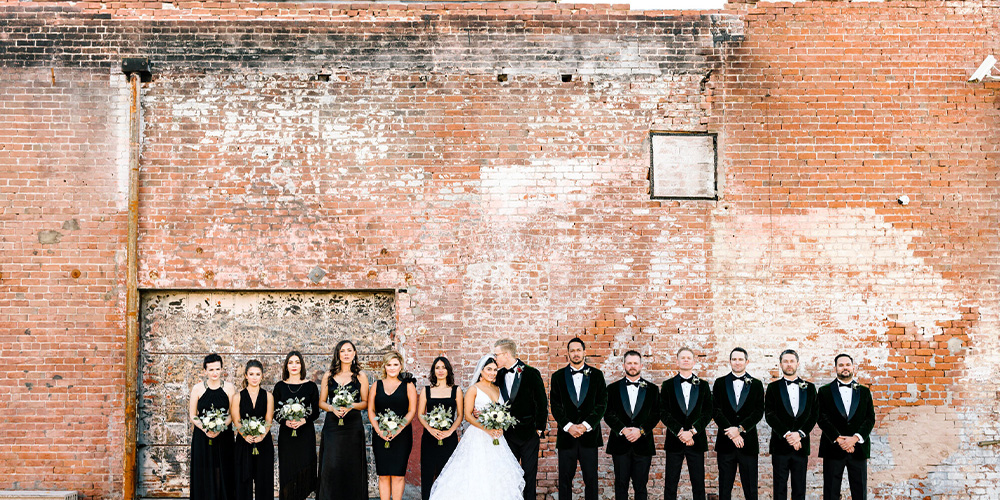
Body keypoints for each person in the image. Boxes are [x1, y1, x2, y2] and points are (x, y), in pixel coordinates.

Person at [428, 355, 525, 500]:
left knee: (496, 475)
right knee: (477, 473)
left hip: (497, 438)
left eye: (494, 370)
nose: (492, 373)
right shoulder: (474, 389)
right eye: (489, 369)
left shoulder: (498, 389)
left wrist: (501, 427)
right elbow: (467, 415)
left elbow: (504, 412)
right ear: (481, 371)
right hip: (478, 436)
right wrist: (487, 430)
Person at [550, 337, 608, 500]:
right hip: (566, 437)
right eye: (572, 350)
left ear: (584, 352)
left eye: (578, 350)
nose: (575, 353)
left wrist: (584, 425)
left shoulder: (597, 375)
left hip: (589, 437)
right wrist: (569, 426)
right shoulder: (558, 377)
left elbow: (601, 403)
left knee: (591, 480)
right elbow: (555, 405)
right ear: (567, 354)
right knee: (564, 481)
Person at [493, 339, 548, 500]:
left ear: (507, 354)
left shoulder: (531, 373)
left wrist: (539, 429)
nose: (495, 358)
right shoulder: (500, 374)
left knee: (529, 476)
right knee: (509, 475)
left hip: (529, 435)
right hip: (507, 435)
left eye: (497, 355)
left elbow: (541, 402)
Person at [818, 354, 875, 500]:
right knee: (831, 492)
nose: (845, 367)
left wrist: (855, 439)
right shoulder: (824, 391)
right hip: (833, 449)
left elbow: (870, 419)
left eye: (848, 364)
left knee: (859, 492)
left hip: (858, 449)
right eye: (841, 365)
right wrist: (839, 439)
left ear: (853, 367)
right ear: (835, 368)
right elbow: (821, 418)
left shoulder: (864, 391)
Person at [603, 351, 659, 500]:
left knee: (641, 486)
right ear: (623, 365)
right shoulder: (612, 389)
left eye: (635, 363)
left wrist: (640, 431)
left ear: (641, 365)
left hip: (643, 445)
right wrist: (623, 430)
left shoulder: (652, 389)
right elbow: (608, 413)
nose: (632, 366)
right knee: (621, 485)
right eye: (629, 363)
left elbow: (656, 414)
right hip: (620, 445)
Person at [317, 340, 370, 500]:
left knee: (351, 465)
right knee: (331, 464)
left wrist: (351, 405)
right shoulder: (329, 375)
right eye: (342, 351)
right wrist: (332, 408)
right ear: (338, 354)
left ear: (354, 353)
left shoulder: (361, 376)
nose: (346, 354)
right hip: (333, 426)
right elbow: (321, 402)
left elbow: (365, 403)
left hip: (352, 427)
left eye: (349, 350)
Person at [659, 347, 712, 500]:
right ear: (677, 361)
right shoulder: (668, 385)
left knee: (698, 485)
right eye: (683, 357)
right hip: (675, 441)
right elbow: (664, 412)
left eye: (689, 357)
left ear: (694, 362)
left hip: (696, 441)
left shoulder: (703, 385)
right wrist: (680, 432)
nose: (686, 360)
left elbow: (708, 412)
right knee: (670, 484)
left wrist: (693, 432)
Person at [764, 349, 818, 500]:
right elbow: (769, 415)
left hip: (801, 446)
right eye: (785, 361)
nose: (789, 364)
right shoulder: (773, 388)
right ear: (780, 364)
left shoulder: (810, 388)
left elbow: (814, 415)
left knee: (799, 489)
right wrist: (788, 434)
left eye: (792, 361)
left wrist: (799, 434)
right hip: (780, 445)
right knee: (779, 489)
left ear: (797, 363)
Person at [712, 347, 764, 500]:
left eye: (740, 359)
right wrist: (732, 433)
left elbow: (758, 412)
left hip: (748, 444)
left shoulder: (756, 384)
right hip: (725, 444)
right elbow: (716, 410)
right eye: (734, 359)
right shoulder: (720, 383)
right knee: (724, 489)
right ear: (730, 361)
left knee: (751, 489)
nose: (737, 362)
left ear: (747, 361)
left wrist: (740, 429)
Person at [368, 351, 418, 500]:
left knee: (397, 475)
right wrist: (378, 430)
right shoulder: (377, 385)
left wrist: (398, 429)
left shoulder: (408, 385)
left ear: (400, 366)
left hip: (402, 435)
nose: (392, 368)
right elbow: (371, 409)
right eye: (389, 365)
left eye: (395, 364)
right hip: (380, 435)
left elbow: (412, 410)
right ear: (384, 366)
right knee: (383, 475)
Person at [272, 351, 320, 500]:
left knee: (304, 472)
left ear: (301, 365)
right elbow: (274, 411)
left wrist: (303, 420)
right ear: (286, 365)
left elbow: (316, 412)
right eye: (291, 362)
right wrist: (285, 421)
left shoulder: (311, 386)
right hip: (287, 436)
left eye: (297, 362)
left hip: (305, 436)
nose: (294, 365)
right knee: (288, 472)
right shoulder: (280, 386)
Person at [188, 353, 237, 500]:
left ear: (222, 369)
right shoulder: (197, 389)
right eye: (211, 370)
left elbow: (232, 414)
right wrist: (205, 428)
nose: (215, 373)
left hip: (224, 437)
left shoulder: (229, 388)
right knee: (204, 470)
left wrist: (219, 428)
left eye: (217, 369)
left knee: (223, 470)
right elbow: (193, 415)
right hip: (202, 437)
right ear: (205, 371)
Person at [417, 356, 463, 500]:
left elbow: (460, 415)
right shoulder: (426, 390)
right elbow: (420, 414)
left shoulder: (456, 390)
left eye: (443, 367)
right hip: (430, 438)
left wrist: (450, 432)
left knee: (448, 474)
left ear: (448, 370)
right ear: (433, 371)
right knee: (427, 473)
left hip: (449, 439)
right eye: (437, 368)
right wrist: (430, 430)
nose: (440, 370)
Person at [231, 359, 275, 500]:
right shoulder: (238, 397)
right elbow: (236, 420)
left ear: (262, 376)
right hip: (244, 444)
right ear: (246, 376)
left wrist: (261, 436)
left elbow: (269, 419)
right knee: (243, 481)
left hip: (264, 443)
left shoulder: (268, 396)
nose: (254, 377)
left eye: (257, 374)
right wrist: (245, 435)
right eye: (251, 374)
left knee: (264, 481)